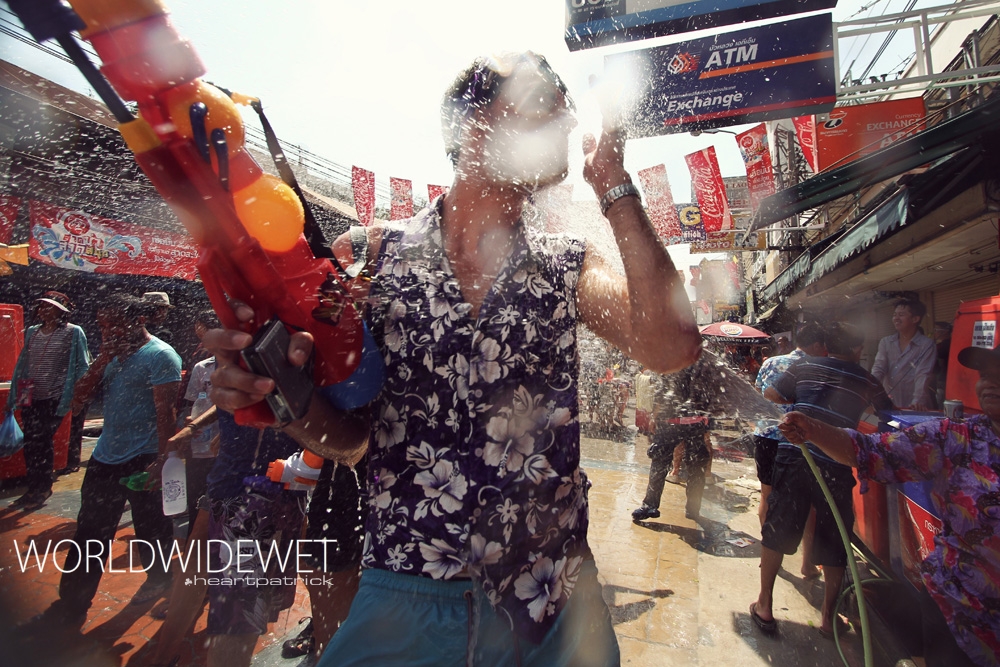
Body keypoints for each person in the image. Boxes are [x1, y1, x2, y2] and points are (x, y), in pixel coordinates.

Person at [208, 51, 701, 665]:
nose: (571, 122)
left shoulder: (567, 265)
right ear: (476, 128)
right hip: (403, 603)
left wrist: (613, 183)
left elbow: (672, 345)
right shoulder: (369, 258)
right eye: (546, 102)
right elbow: (353, 438)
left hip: (555, 604)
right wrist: (284, 395)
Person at [778, 342, 1000, 666]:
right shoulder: (957, 438)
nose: (990, 382)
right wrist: (813, 429)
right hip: (957, 613)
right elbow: (871, 451)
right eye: (986, 374)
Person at [35, 294, 180, 628]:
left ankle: (159, 579)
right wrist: (102, 360)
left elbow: (165, 412)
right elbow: (78, 398)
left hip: (143, 458)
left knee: (152, 529)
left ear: (139, 321)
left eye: (115, 324)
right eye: (103, 325)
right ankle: (73, 601)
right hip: (104, 457)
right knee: (90, 532)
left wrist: (162, 461)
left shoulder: (161, 356)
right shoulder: (110, 357)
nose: (108, 331)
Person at [753, 322, 893, 639]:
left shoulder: (804, 366)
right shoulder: (866, 378)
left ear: (826, 346)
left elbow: (773, 393)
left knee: (778, 526)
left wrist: (802, 403)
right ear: (858, 350)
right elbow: (887, 413)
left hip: (794, 455)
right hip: (836, 462)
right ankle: (829, 619)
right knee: (834, 537)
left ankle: (764, 606)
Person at [7, 291, 90, 509]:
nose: (43, 310)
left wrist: (78, 397)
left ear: (61, 311)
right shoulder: (33, 332)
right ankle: (33, 487)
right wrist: (14, 394)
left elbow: (82, 365)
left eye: (49, 307)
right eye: (41, 307)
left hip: (54, 398)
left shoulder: (73, 333)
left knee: (42, 442)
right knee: (30, 443)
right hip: (29, 397)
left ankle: (41, 489)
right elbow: (23, 363)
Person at [753, 322, 826, 527]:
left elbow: (760, 392)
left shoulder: (770, 363)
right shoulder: (817, 366)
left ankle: (768, 551)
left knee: (766, 494)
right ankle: (807, 560)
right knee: (803, 500)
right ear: (817, 345)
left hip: (765, 435)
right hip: (798, 439)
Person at [632, 352, 718, 523]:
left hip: (673, 421)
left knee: (661, 461)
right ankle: (693, 509)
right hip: (694, 422)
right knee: (695, 466)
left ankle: (650, 505)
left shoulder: (670, 360)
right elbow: (712, 393)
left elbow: (662, 393)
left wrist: (654, 417)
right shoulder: (703, 362)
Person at [871, 298, 936, 410]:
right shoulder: (886, 342)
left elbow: (923, 374)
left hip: (915, 406)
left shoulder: (926, 344)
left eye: (901, 315)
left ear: (915, 319)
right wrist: (869, 389)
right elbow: (879, 368)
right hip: (890, 403)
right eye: (894, 315)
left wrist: (918, 401)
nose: (896, 318)